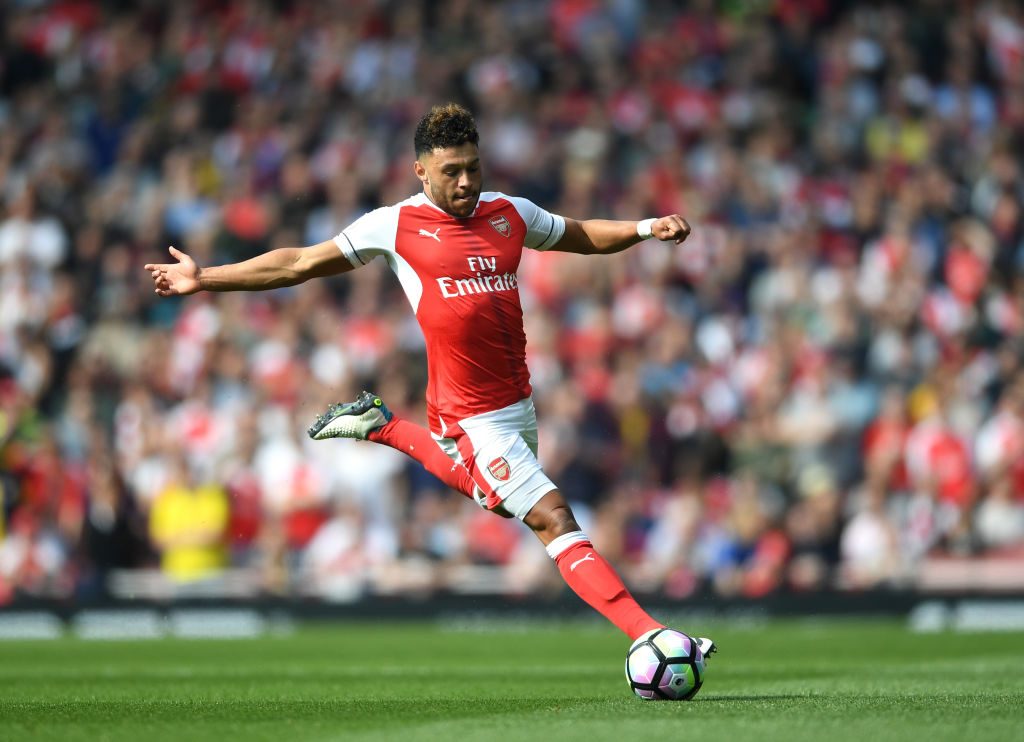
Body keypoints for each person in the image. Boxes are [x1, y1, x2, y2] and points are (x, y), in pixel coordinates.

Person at [145, 103, 715, 655]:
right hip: (469, 415)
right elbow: (298, 263)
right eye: (451, 172)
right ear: (421, 171)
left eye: (473, 167)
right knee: (551, 516)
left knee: (498, 501)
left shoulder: (509, 212)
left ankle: (385, 426)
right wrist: (207, 278)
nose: (466, 182)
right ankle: (650, 633)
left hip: (516, 405)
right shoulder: (394, 226)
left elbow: (580, 233)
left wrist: (645, 227)